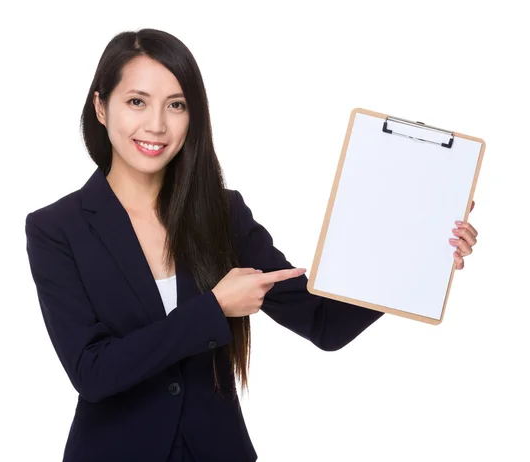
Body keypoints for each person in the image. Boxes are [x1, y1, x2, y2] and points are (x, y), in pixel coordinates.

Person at [24, 28, 479, 462]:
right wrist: (214, 307)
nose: (157, 125)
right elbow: (93, 372)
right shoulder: (55, 228)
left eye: (176, 105)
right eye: (137, 102)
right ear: (101, 107)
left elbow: (324, 324)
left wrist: (420, 253)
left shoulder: (222, 212)